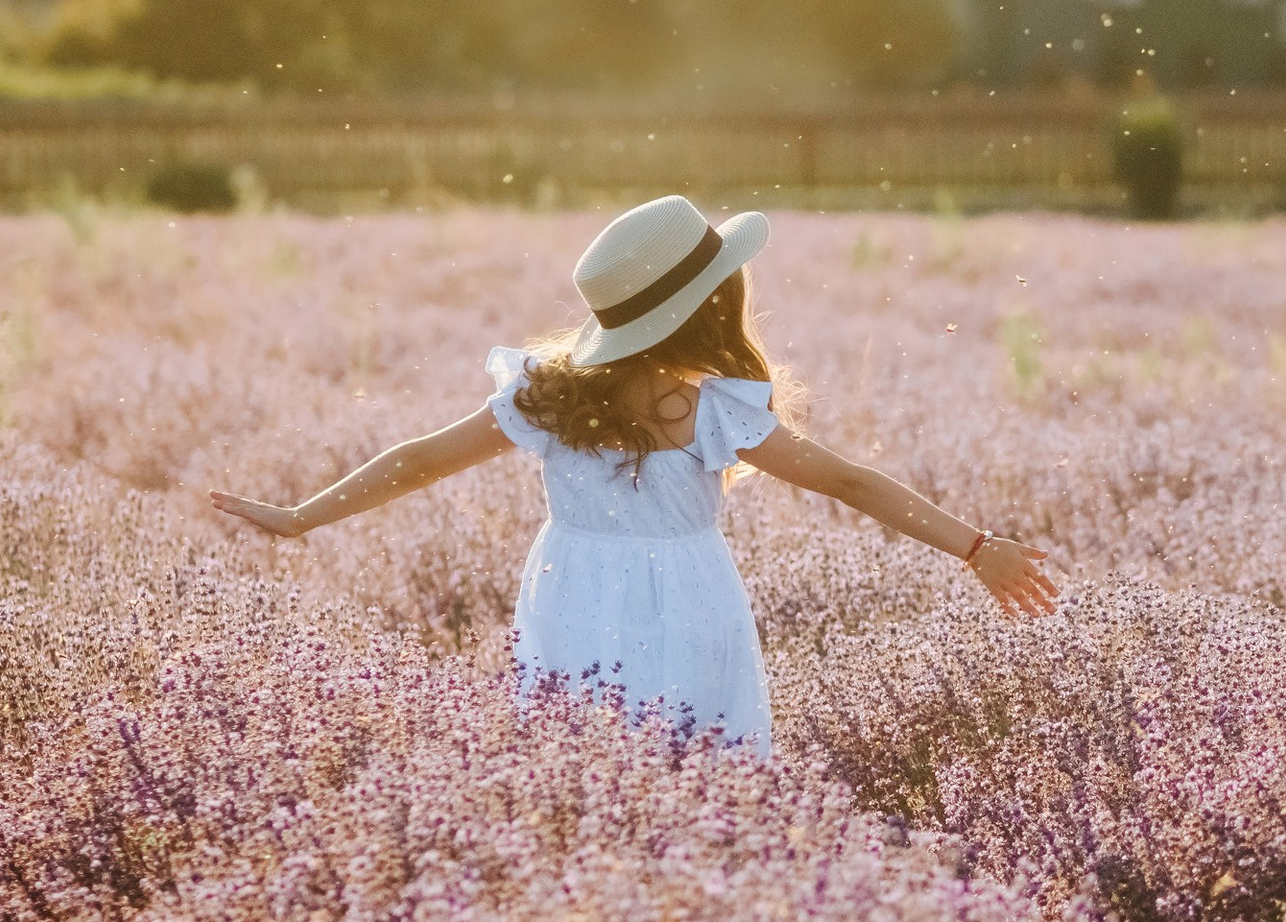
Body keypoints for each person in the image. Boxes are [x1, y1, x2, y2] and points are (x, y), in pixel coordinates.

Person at [212, 195, 1058, 756]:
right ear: (706, 307)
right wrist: (975, 546)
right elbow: (851, 484)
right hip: (691, 598)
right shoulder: (709, 410)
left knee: (578, 760)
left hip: (571, 589)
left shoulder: (544, 395)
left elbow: (416, 460)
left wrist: (301, 516)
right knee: (702, 765)